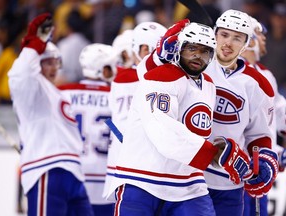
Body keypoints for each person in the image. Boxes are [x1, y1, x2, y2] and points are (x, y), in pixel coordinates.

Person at [106, 21, 252, 216]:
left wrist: (222, 148)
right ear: (179, 48)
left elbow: (196, 130)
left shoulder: (208, 84)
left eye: (205, 51)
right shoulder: (162, 76)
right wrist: (212, 155)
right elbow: (163, 131)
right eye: (191, 48)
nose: (197, 56)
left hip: (187, 183)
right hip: (142, 182)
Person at [7, 13, 93, 216]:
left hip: (74, 173)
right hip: (47, 170)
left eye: (57, 62)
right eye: (48, 62)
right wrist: (32, 46)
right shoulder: (31, 88)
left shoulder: (55, 93)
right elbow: (19, 75)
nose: (54, 67)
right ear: (36, 64)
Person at [200, 9, 279, 216]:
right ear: (215, 35)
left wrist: (262, 162)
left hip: (229, 183)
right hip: (190, 179)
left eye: (237, 38)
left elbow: (259, 135)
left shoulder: (258, 84)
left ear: (246, 44)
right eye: (224, 35)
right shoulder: (195, 66)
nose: (228, 43)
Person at [103, 21, 167, 200]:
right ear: (144, 48)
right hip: (135, 168)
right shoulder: (127, 79)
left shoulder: (122, 78)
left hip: (130, 166)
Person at [59, 43, 118, 216]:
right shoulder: (117, 96)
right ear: (103, 69)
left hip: (71, 180)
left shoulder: (61, 93)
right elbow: (121, 137)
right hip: (106, 185)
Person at [240, 16, 286, 216]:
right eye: (259, 34)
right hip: (237, 168)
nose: (264, 38)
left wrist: (278, 152)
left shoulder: (266, 75)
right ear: (248, 40)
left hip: (260, 169)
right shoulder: (231, 74)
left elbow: (279, 112)